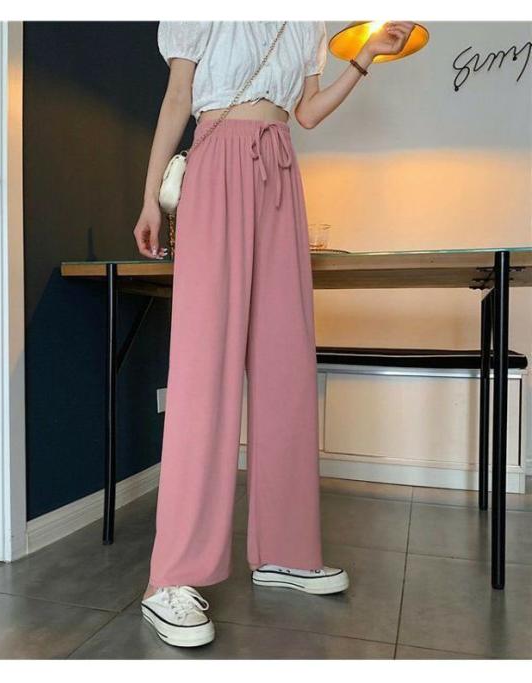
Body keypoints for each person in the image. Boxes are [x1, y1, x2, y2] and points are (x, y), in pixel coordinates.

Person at [133, 20, 415, 648]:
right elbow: (178, 98)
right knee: (205, 371)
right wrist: (151, 197)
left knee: (286, 363)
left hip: (281, 167)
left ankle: (285, 551)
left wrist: (365, 56)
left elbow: (306, 112)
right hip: (216, 162)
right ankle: (170, 577)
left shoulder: (308, 21)